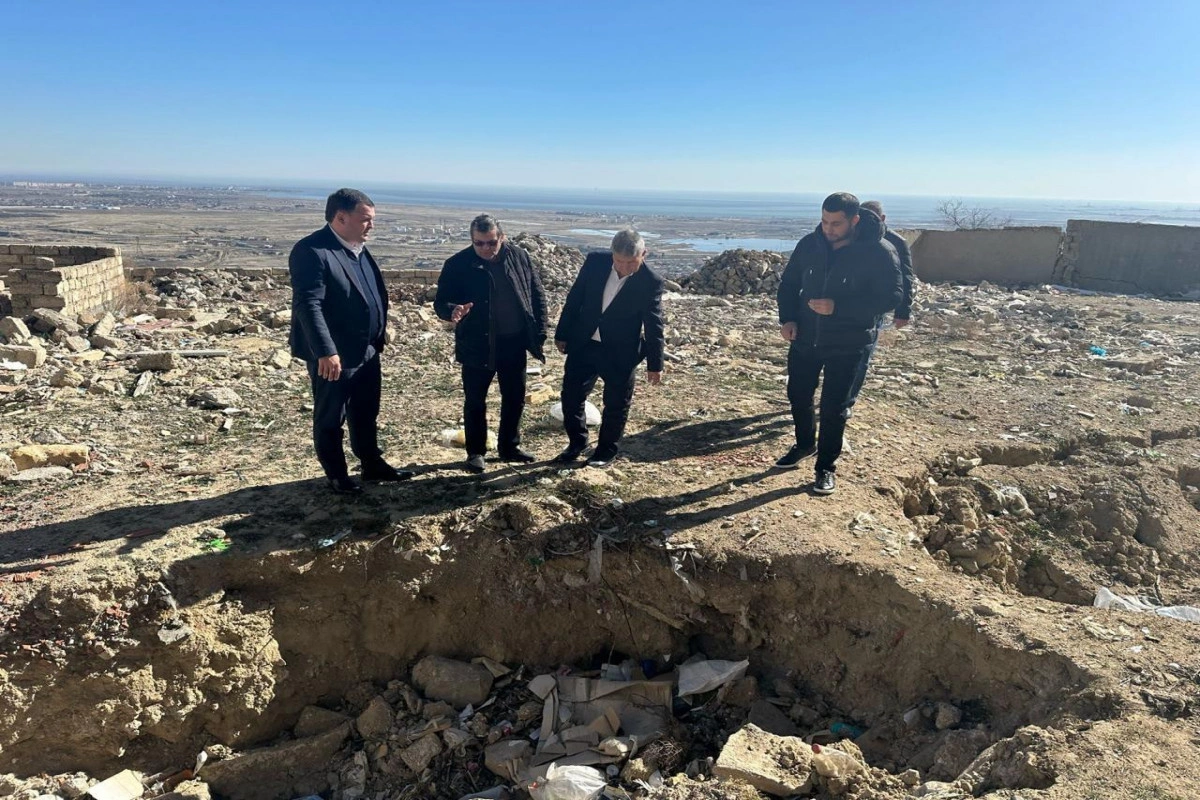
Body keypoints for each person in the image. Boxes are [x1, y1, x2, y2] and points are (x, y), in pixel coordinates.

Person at [775, 192, 901, 495]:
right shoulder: (810, 244)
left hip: (849, 342)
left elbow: (891, 297)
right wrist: (788, 319)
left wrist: (839, 307)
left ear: (854, 220)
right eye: (824, 221)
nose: (828, 229)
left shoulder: (879, 251)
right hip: (805, 338)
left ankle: (826, 467)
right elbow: (789, 284)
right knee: (798, 395)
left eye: (836, 224)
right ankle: (805, 445)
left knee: (834, 407)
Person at [289, 188, 413, 494]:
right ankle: (337, 476)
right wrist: (325, 351)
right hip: (335, 355)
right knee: (331, 417)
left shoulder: (358, 248)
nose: (371, 225)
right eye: (365, 219)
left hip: (367, 349)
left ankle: (372, 464)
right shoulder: (312, 251)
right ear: (341, 218)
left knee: (366, 410)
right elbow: (308, 304)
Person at [435, 214, 547, 473]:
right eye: (479, 243)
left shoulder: (519, 257)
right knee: (475, 399)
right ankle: (475, 452)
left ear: (502, 238)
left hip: (514, 342)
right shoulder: (457, 264)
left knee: (514, 397)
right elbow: (441, 302)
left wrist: (540, 330)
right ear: (472, 240)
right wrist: (452, 310)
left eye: (491, 242)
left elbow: (536, 293)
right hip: (477, 343)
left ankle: (509, 446)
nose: (485, 248)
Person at [553, 228, 664, 468]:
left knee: (616, 405)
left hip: (620, 352)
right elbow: (575, 297)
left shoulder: (651, 282)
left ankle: (605, 452)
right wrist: (562, 333)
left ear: (644, 254)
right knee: (571, 397)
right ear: (612, 254)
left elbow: (653, 324)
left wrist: (655, 365)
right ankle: (577, 443)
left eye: (631, 262)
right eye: (619, 261)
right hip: (584, 343)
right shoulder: (595, 262)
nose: (624, 268)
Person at [846, 199, 917, 406]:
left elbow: (905, 278)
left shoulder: (895, 242)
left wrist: (903, 311)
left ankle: (848, 401)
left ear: (882, 219)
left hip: (874, 306)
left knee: (863, 355)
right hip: (845, 304)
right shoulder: (849, 237)